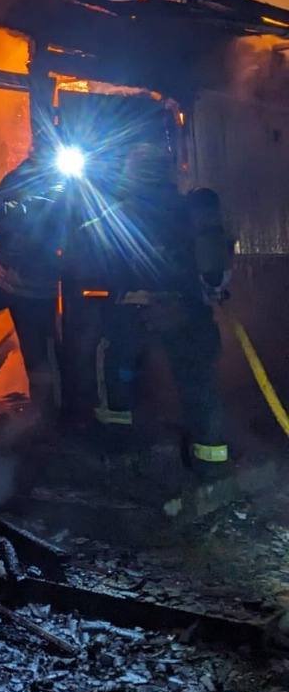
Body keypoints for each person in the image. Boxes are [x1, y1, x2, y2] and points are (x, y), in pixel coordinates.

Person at [74, 141, 231, 481]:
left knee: (115, 369)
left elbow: (87, 254)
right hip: (186, 311)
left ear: (132, 172)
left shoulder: (119, 212)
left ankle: (120, 456)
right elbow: (215, 262)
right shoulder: (190, 210)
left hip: (135, 310)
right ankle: (211, 462)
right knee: (197, 382)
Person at [0, 148, 65, 419]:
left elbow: (28, 210)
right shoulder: (18, 175)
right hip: (3, 273)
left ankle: (45, 418)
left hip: (36, 284)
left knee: (38, 355)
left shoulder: (64, 181)